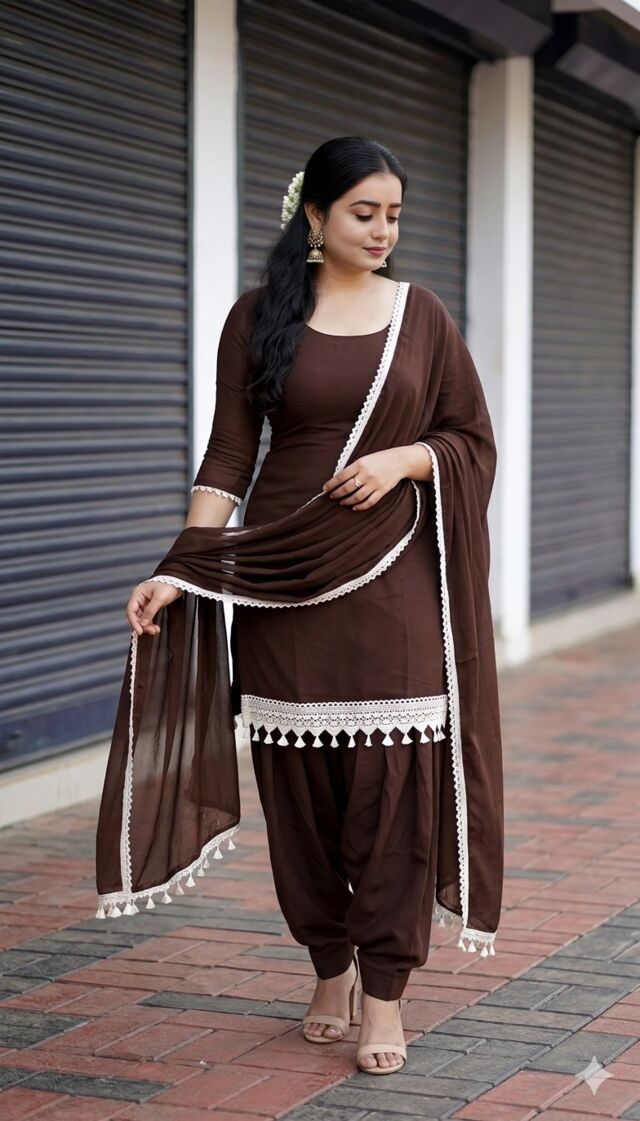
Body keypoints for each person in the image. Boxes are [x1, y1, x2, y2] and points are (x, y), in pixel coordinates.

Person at [95, 136, 504, 1077]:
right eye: (364, 212)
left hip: (395, 582)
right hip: (282, 584)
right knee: (303, 798)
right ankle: (329, 964)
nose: (383, 230)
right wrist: (180, 567)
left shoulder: (423, 317)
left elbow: (469, 438)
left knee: (391, 797)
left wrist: (407, 459)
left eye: (394, 214)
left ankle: (385, 990)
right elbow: (228, 458)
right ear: (314, 214)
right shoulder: (258, 318)